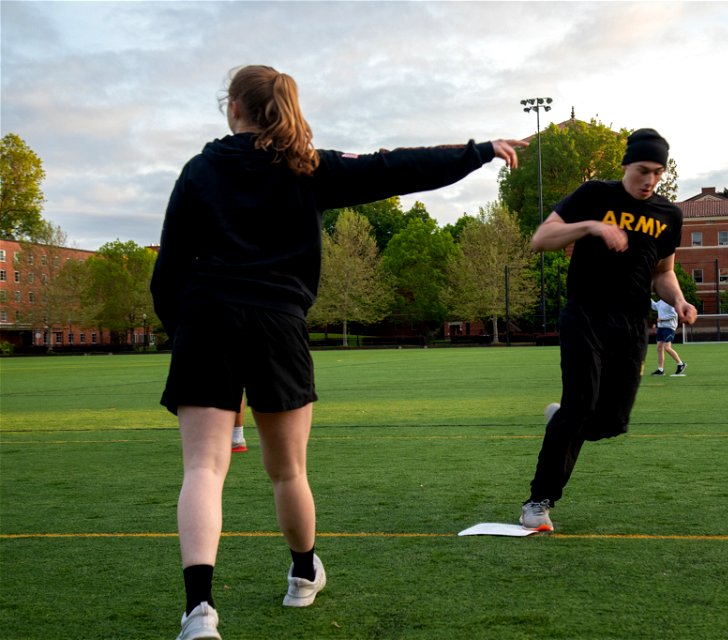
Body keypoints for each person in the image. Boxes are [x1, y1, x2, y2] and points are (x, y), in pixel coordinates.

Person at [151, 64, 527, 640]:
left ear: (233, 108)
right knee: (287, 472)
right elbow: (395, 167)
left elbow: (169, 270)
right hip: (278, 324)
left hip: (208, 320)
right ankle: (303, 576)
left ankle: (199, 613)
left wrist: (183, 332)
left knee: (203, 469)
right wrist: (479, 151)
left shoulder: (200, 171)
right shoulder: (309, 167)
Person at [519, 128, 697, 533]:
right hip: (585, 314)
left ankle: (559, 422)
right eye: (641, 170)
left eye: (657, 172)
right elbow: (541, 238)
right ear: (625, 166)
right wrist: (590, 228)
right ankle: (538, 502)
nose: (649, 180)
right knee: (580, 405)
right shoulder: (595, 195)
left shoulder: (669, 215)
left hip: (633, 324)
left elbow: (663, 272)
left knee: (613, 422)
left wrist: (679, 301)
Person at [650, 297, 686, 376]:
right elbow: (654, 306)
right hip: (661, 328)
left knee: (667, 348)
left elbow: (674, 314)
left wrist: (662, 319)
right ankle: (660, 370)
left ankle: (680, 364)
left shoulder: (671, 301)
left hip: (669, 328)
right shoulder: (661, 301)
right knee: (659, 348)